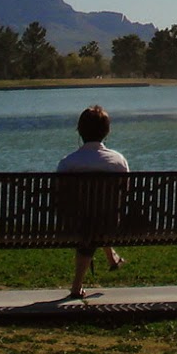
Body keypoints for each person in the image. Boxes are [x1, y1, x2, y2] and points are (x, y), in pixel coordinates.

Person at [57, 104, 129, 298]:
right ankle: (110, 258)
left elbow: (59, 195)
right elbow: (125, 191)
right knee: (99, 215)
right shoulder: (118, 160)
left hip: (75, 223)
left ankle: (76, 286)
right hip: (110, 222)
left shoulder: (68, 162)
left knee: (89, 219)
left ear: (79, 131)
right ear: (107, 132)